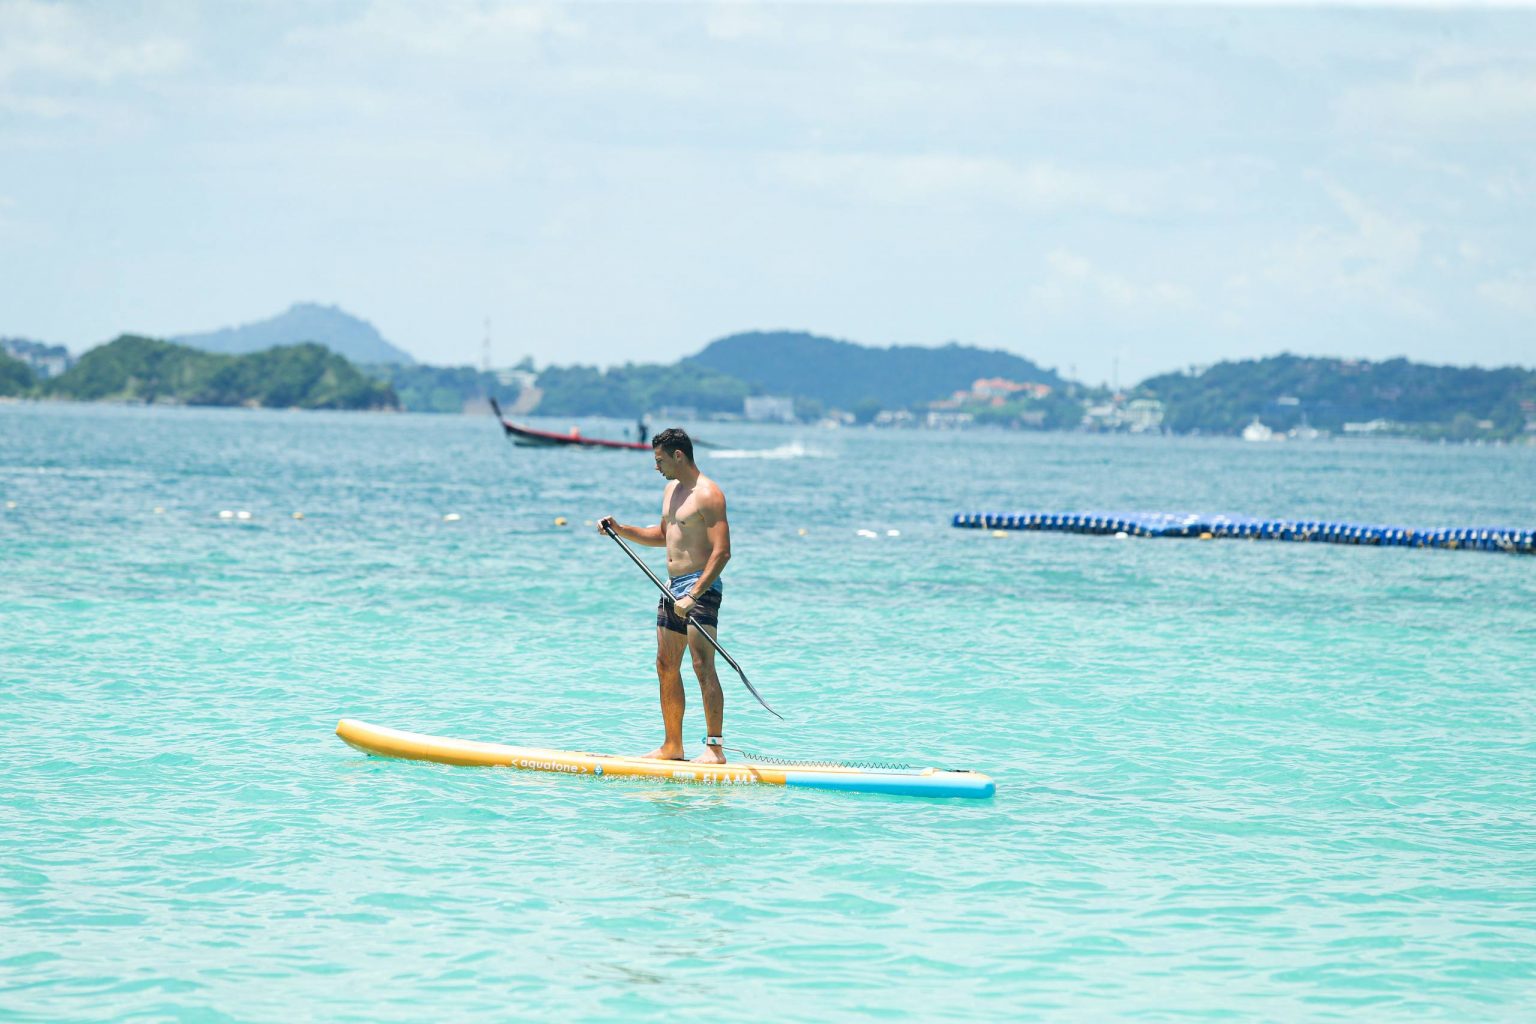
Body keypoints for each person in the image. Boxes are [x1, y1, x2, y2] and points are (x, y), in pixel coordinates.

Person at [598, 427, 731, 763]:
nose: (656, 467)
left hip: (700, 587)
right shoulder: (671, 491)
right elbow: (662, 535)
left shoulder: (708, 494)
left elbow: (722, 552)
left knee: (702, 666)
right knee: (665, 665)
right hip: (671, 588)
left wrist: (695, 594)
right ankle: (673, 746)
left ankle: (714, 750)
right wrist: (622, 528)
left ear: (678, 456)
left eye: (659, 460)